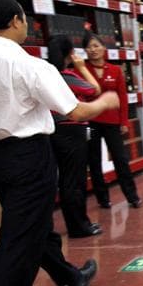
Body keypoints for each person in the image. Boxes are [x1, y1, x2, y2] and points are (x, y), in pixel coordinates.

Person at [0, 0, 116, 286]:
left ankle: (72, 277)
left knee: (32, 226)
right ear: (14, 21)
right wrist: (106, 101)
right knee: (18, 238)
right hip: (28, 155)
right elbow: (75, 112)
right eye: (24, 19)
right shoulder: (28, 64)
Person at [47, 36, 104, 238]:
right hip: (71, 130)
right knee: (75, 180)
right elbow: (94, 89)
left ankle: (74, 224)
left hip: (52, 130)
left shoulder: (46, 74)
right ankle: (79, 226)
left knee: (63, 180)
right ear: (69, 54)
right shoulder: (65, 75)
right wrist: (82, 67)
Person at [85, 32, 141, 209]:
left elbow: (123, 98)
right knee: (94, 161)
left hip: (112, 122)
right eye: (89, 46)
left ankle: (132, 196)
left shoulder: (115, 70)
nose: (92, 50)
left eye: (96, 46)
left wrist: (124, 121)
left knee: (120, 159)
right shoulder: (82, 69)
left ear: (103, 48)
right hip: (90, 121)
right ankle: (103, 199)